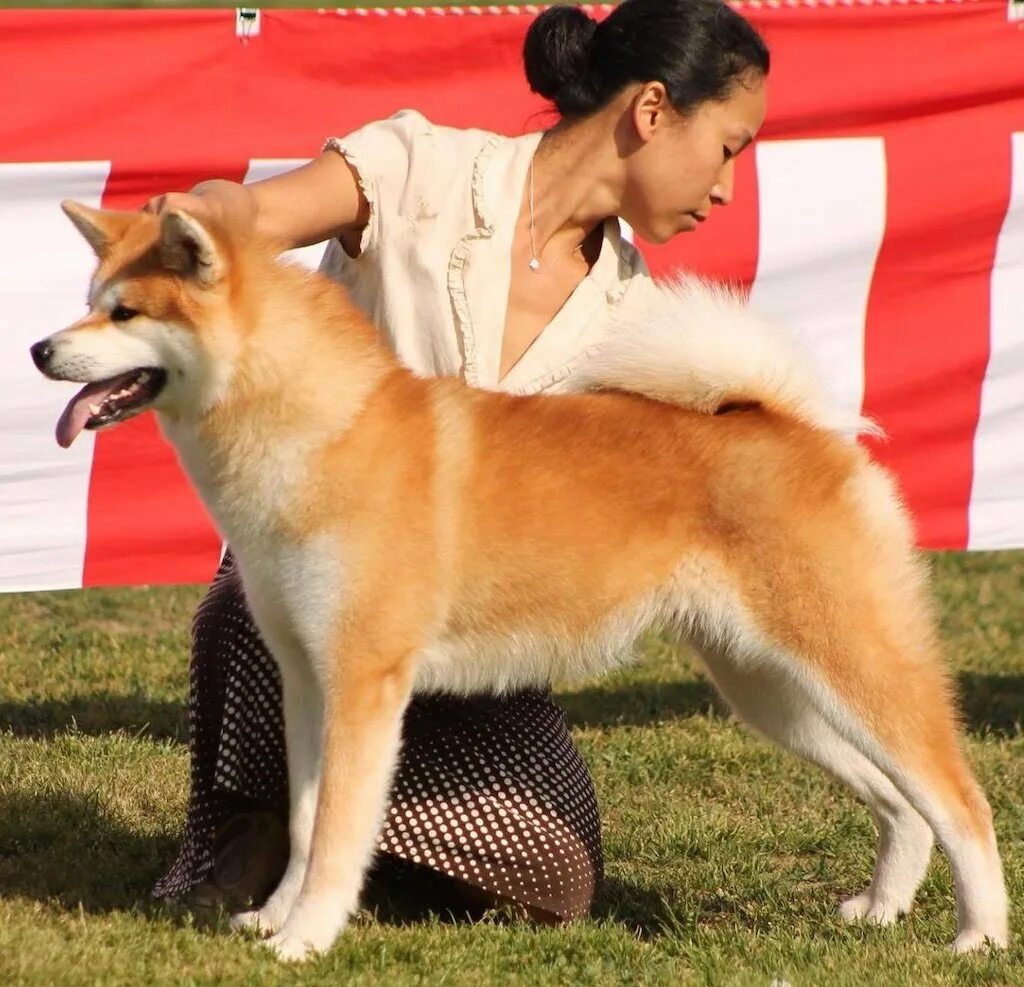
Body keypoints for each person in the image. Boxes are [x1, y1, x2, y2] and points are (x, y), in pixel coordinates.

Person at [148, 0, 769, 926]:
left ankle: (344, 839)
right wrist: (212, 210)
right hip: (322, 569)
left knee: (553, 881)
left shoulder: (641, 323)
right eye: (729, 146)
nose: (726, 188)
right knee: (269, 603)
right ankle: (254, 827)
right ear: (651, 111)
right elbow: (260, 213)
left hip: (474, 627)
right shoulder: (420, 168)